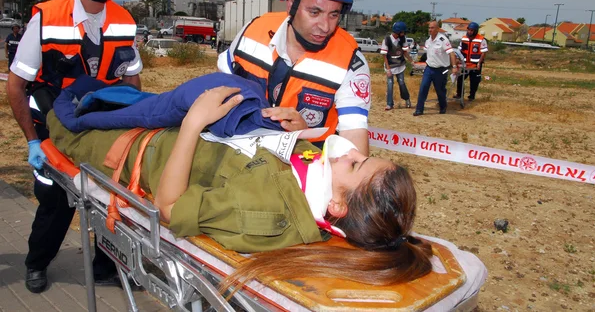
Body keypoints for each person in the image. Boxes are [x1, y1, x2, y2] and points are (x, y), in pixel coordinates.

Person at [46, 85, 433, 288]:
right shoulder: (319, 180)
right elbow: (288, 160)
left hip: (138, 151)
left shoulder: (263, 214)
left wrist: (194, 124)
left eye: (355, 163)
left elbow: (169, 207)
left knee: (62, 119)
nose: (347, 152)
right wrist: (298, 130)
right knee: (98, 96)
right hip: (167, 125)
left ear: (336, 207)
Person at [6, 0, 142, 293]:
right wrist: (33, 142)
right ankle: (36, 264)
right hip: (51, 129)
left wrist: (137, 123)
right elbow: (16, 86)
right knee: (55, 202)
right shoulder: (47, 19)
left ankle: (104, 265)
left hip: (100, 130)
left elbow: (132, 81)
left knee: (106, 203)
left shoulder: (124, 21)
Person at [217, 0, 371, 155]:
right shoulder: (253, 31)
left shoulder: (350, 62)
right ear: (291, 4)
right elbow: (219, 88)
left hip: (303, 165)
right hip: (237, 152)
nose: (325, 26)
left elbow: (355, 142)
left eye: (334, 14)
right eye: (314, 12)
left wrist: (302, 136)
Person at [413, 21, 458, 116]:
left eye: (432, 28)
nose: (430, 30)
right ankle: (419, 109)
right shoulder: (428, 40)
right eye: (429, 28)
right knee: (423, 88)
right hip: (429, 68)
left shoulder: (443, 40)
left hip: (441, 69)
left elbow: (451, 53)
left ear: (437, 29)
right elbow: (427, 54)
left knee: (440, 90)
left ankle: (443, 106)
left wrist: (454, 66)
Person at [381, 21, 412, 110]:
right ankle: (389, 104)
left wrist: (411, 61)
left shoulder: (403, 39)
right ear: (398, 31)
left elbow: (405, 52)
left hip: (400, 64)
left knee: (401, 82)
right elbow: (384, 55)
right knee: (390, 84)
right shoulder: (387, 40)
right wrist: (388, 69)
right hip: (390, 65)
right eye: (403, 31)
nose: (404, 33)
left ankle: (407, 99)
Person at [454, 22, 488, 101]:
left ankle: (471, 96)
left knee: (474, 81)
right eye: (468, 30)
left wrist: (479, 63)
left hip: (475, 64)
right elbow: (459, 51)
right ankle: (459, 94)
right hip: (464, 63)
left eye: (472, 30)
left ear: (475, 31)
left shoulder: (481, 40)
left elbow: (483, 52)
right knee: (460, 78)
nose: (469, 32)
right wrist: (458, 60)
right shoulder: (464, 38)